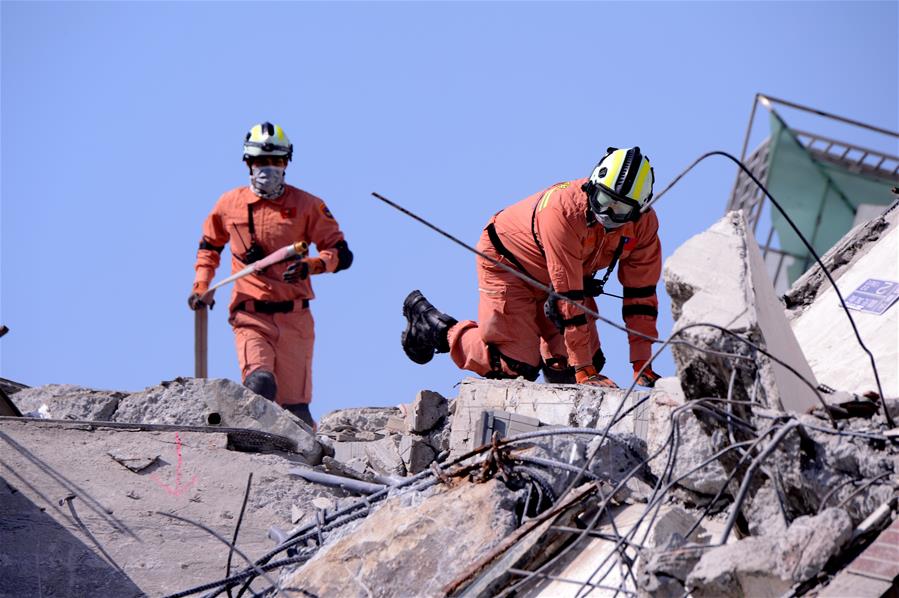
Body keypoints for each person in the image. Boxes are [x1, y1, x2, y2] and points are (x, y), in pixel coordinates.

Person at [401, 147, 662, 388]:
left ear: (639, 211)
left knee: (573, 365)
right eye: (604, 199)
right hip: (509, 265)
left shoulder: (643, 227)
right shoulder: (564, 212)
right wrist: (585, 370)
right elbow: (568, 299)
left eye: (620, 209)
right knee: (515, 365)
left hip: (561, 278)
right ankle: (435, 328)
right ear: (593, 185)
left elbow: (641, 296)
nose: (607, 212)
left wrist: (642, 361)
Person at [188, 122, 353, 428]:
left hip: (295, 320)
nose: (269, 168)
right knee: (260, 385)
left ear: (287, 163)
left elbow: (342, 253)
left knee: (297, 414)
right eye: (262, 162)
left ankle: (297, 467)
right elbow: (209, 247)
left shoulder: (307, 205)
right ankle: (247, 448)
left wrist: (313, 265)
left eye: (276, 161)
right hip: (250, 315)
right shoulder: (228, 205)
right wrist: (202, 285)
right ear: (249, 163)